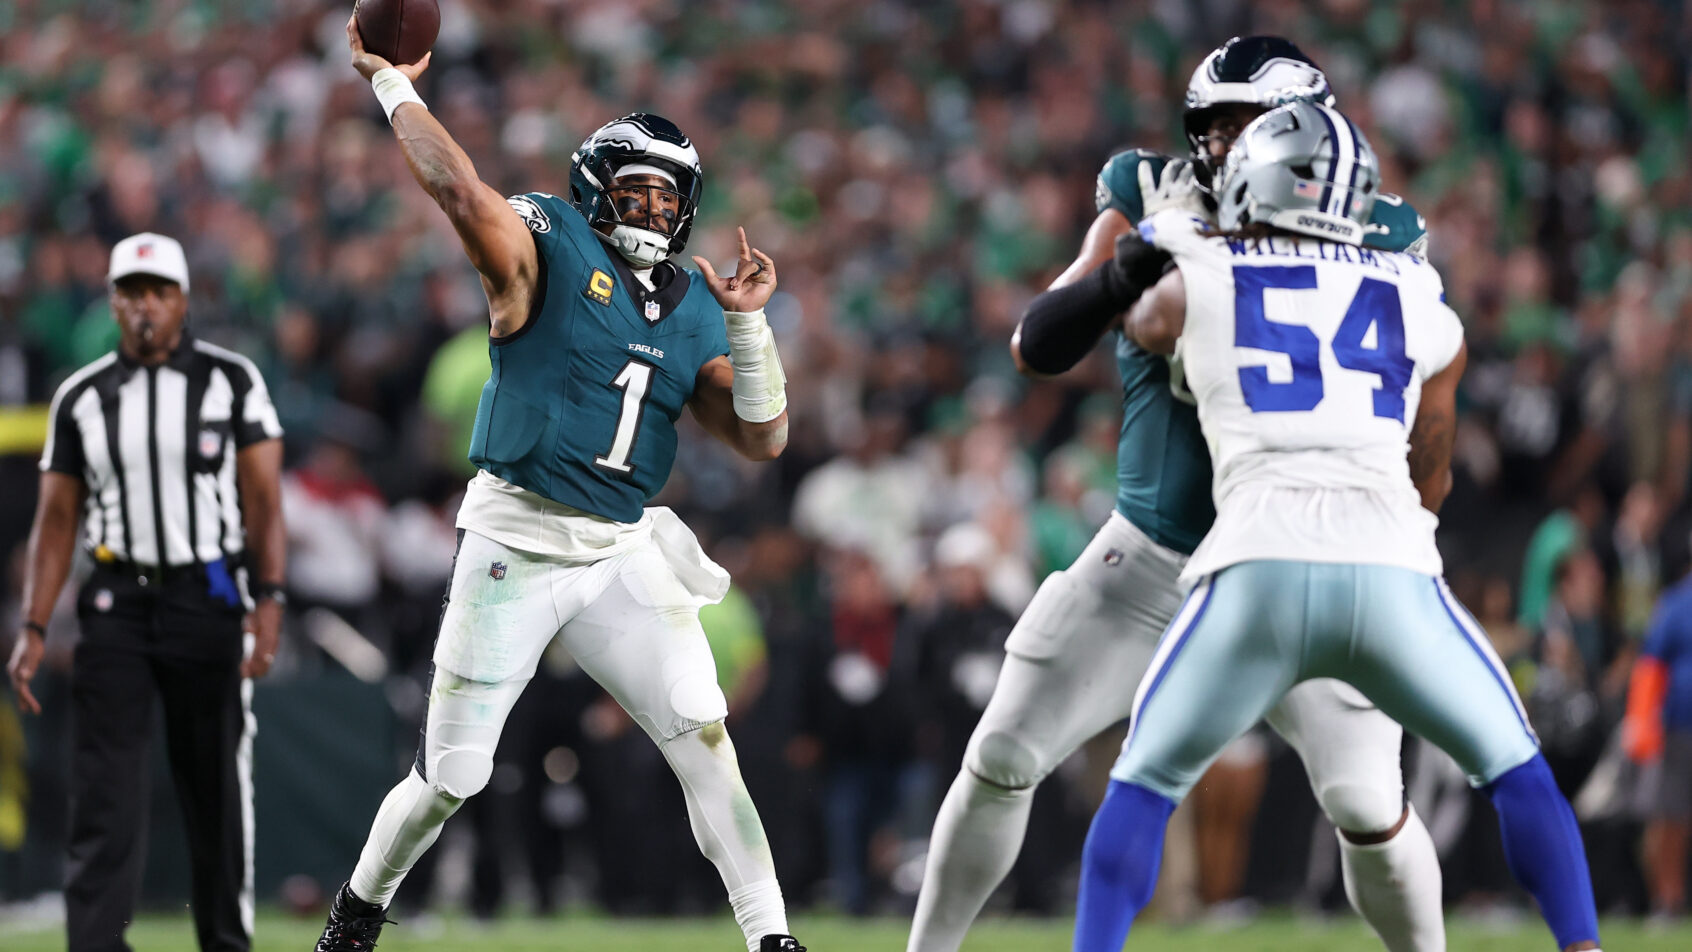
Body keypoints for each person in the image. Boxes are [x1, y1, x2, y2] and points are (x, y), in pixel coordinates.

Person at [910, 36, 1441, 952]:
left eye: (1253, 126)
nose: (1231, 148)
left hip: (1302, 555)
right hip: (1157, 555)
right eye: (1217, 127)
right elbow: (1037, 345)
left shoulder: (1383, 231)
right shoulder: (1154, 200)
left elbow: (1429, 409)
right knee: (1002, 753)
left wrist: (1407, 536)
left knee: (1367, 801)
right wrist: (1125, 271)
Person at [314, 20, 805, 952]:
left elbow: (763, 439)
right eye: (638, 192)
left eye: (671, 198)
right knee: (453, 775)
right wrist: (393, 86)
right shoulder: (549, 242)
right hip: (518, 537)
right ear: (594, 189)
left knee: (706, 741)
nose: (656, 213)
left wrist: (750, 328)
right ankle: (356, 914)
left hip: (619, 547)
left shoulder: (698, 303)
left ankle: (773, 939)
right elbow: (459, 189)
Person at [1071, 99, 1600, 952]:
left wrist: (1152, 246)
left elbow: (1137, 325)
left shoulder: (1201, 263)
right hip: (1392, 572)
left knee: (1142, 785)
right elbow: (1435, 453)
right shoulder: (1413, 287)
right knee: (1518, 770)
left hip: (1255, 569)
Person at [5, 232, 287, 952]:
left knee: (213, 789)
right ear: (112, 301)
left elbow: (264, 502)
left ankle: (225, 941)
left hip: (208, 596)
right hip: (116, 603)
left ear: (183, 300)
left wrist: (271, 598)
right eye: (131, 293)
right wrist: (35, 626)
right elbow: (57, 518)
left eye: (158, 292)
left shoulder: (232, 381)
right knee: (104, 793)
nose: (145, 308)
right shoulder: (81, 395)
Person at [1625, 554, 1692, 919]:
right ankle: (1667, 901)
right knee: (1671, 819)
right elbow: (1650, 665)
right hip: (1680, 727)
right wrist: (1642, 726)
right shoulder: (1677, 602)